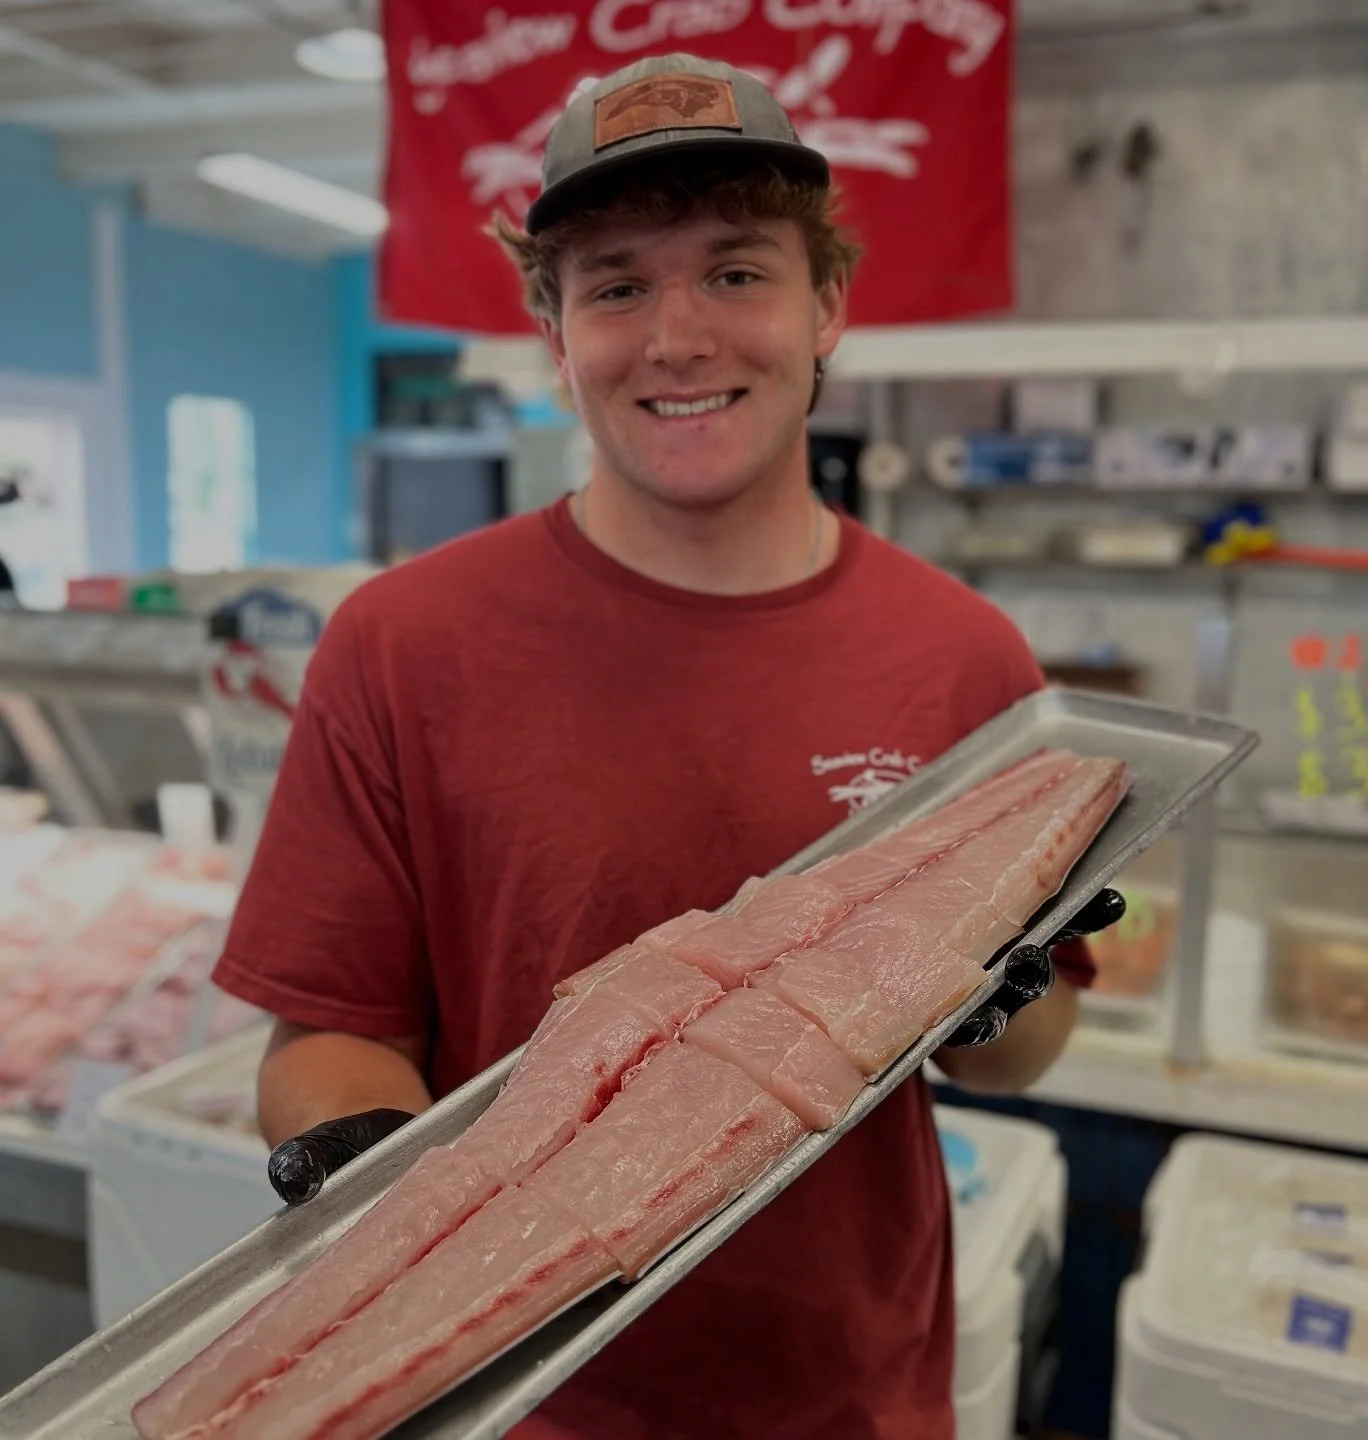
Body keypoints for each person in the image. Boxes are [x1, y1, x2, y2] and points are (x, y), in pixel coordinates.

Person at [215, 53, 1122, 1440]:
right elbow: (332, 1023)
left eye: (738, 273)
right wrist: (359, 1166)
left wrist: (999, 1001)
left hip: (855, 1397)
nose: (678, 337)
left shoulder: (966, 658)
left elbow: (1023, 1053)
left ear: (826, 309)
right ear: (556, 333)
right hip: (511, 1400)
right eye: (617, 285)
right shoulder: (402, 645)